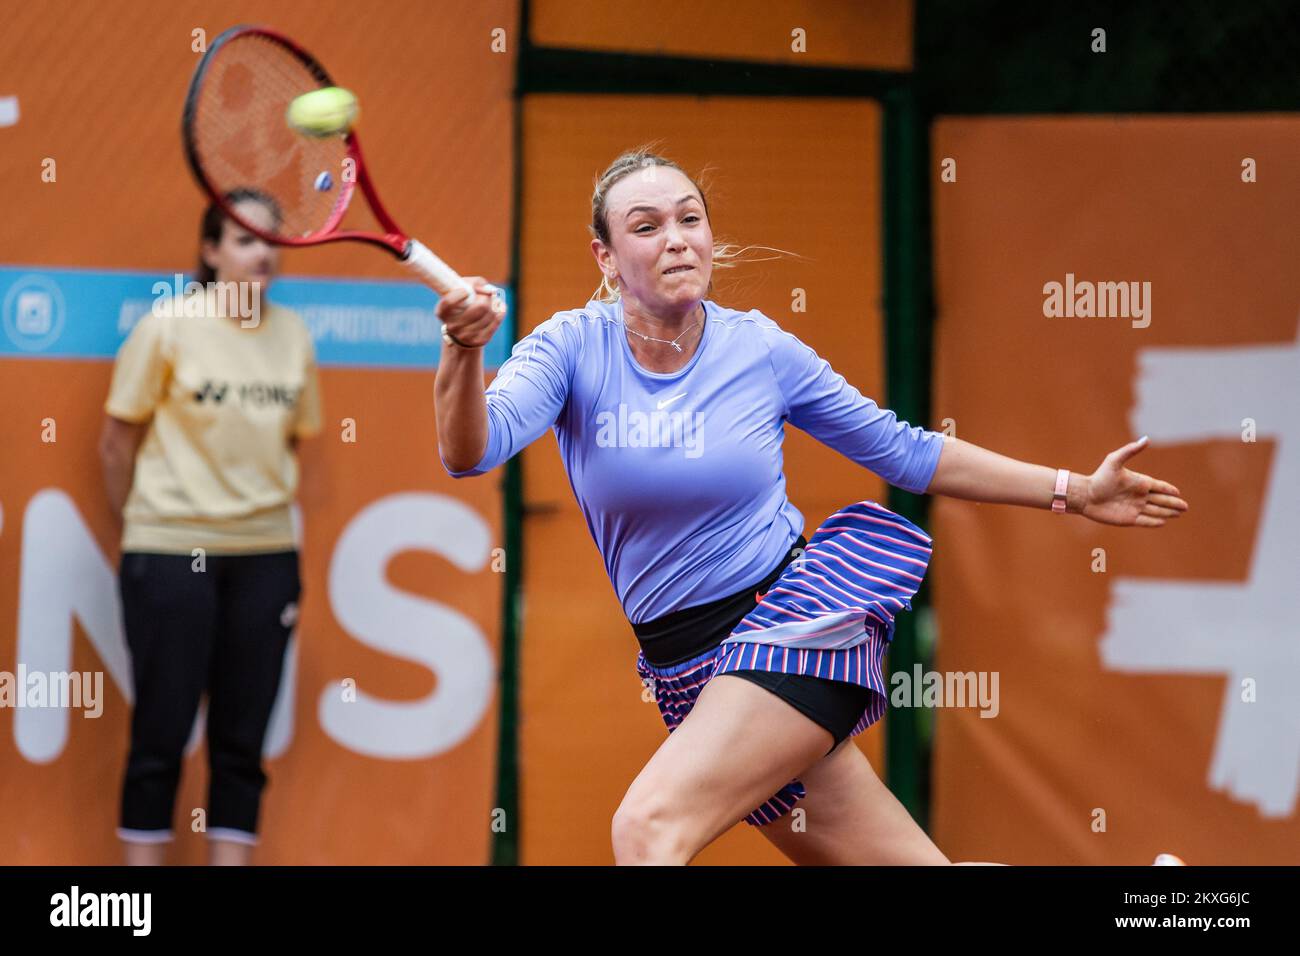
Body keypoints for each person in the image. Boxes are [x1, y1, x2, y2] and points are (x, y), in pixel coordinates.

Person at [433, 148, 1189, 865]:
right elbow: (473, 449)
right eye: (646, 226)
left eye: (690, 218)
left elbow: (907, 451)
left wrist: (1076, 491)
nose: (677, 240)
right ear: (605, 257)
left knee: (647, 825)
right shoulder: (568, 348)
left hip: (791, 623)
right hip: (688, 667)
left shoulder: (758, 349)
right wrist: (464, 353)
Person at [99, 189, 322, 865]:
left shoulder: (293, 335)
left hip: (265, 556)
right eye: (247, 237)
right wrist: (154, 526)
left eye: (272, 238)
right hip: (170, 552)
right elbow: (116, 446)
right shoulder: (166, 328)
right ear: (211, 250)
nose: (264, 252)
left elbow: (294, 442)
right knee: (159, 737)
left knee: (240, 744)